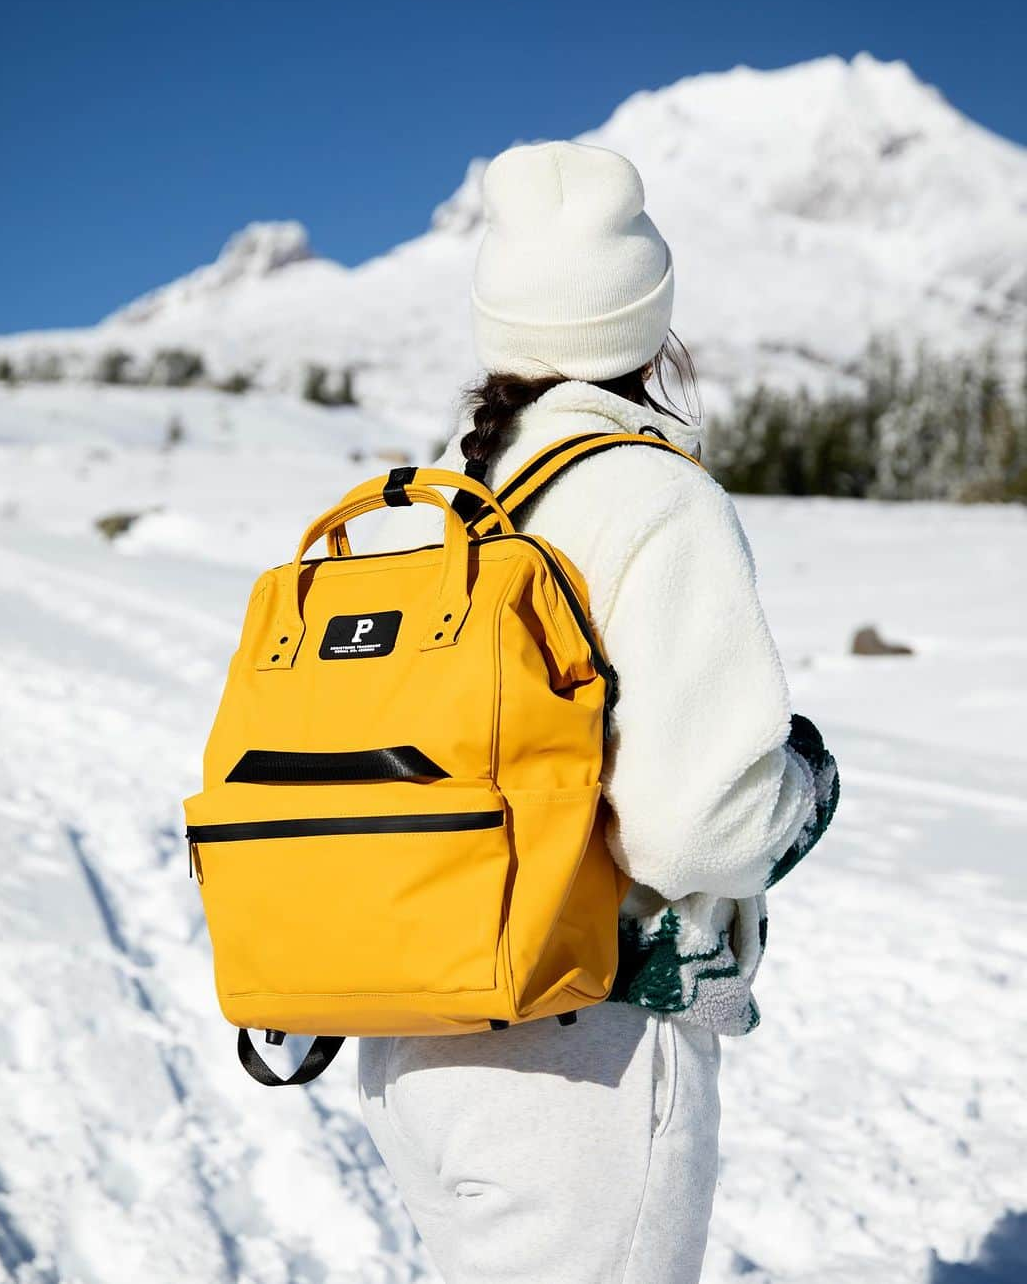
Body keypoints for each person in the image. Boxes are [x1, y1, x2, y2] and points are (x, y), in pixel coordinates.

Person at [357, 140, 839, 1284]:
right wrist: (807, 788)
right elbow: (696, 830)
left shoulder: (419, 506)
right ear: (646, 320)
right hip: (579, 1060)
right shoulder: (652, 494)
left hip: (407, 1041)